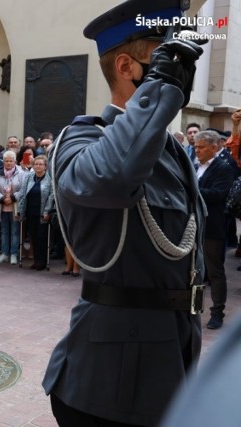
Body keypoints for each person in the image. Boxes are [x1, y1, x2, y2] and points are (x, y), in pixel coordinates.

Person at [42, 1, 207, 426]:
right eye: (166, 57)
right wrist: (161, 90)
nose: (182, 75)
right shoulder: (81, 139)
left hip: (172, 354)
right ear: (126, 67)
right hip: (110, 378)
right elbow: (111, 177)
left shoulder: (171, 150)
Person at [194, 130, 234, 329]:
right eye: (195, 146)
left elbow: (217, 195)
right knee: (194, 271)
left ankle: (217, 312)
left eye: (200, 147)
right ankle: (194, 308)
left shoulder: (223, 168)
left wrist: (189, 189)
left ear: (214, 147)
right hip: (192, 226)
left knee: (214, 271)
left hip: (212, 227)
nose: (196, 150)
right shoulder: (194, 165)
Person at [16, 155, 53, 270]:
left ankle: (42, 261)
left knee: (42, 237)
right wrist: (20, 210)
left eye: (40, 164)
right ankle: (36, 260)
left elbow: (51, 197)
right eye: (36, 164)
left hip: (43, 213)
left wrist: (47, 211)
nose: (38, 166)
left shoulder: (49, 179)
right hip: (30, 212)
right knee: (33, 237)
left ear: (45, 166)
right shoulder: (29, 176)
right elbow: (22, 193)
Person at [0, 150, 24, 265]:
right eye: (6, 161)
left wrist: (12, 198)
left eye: (11, 161)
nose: (9, 163)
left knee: (15, 232)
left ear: (15, 161)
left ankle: (14, 254)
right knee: (4, 231)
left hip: (14, 206)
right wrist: (2, 199)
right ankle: (5, 253)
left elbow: (23, 189)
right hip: (2, 206)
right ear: (3, 162)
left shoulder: (21, 173)